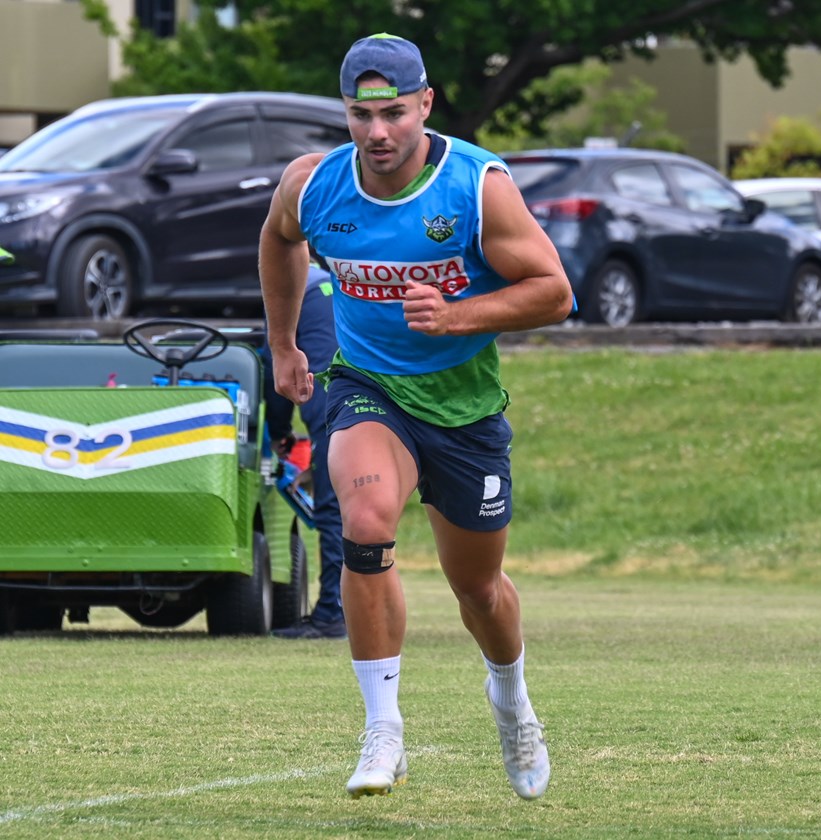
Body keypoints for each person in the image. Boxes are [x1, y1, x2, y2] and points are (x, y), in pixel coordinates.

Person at [258, 33, 574, 800]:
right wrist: (283, 345)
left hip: (463, 409)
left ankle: (512, 703)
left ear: (425, 105)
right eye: (361, 115)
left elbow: (555, 292)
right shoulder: (314, 185)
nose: (378, 132)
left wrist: (460, 314)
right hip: (369, 387)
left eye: (394, 113)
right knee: (364, 522)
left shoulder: (477, 185)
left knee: (481, 592)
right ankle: (383, 731)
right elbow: (278, 240)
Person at [262, 259, 345, 639]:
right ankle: (357, 612)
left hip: (333, 413)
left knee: (333, 512)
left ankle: (332, 614)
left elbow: (275, 374)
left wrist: (278, 433)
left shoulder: (287, 295)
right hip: (375, 408)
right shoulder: (333, 285)